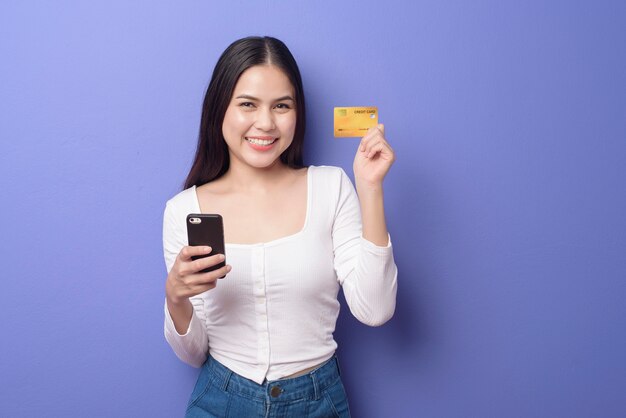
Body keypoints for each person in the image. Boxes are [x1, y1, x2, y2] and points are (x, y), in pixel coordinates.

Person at [162, 36, 398, 417]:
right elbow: (194, 355)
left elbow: (375, 309)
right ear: (219, 108)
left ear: (297, 113)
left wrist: (370, 188)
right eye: (248, 105)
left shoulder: (331, 187)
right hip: (220, 401)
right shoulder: (183, 210)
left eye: (281, 106)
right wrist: (176, 297)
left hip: (318, 403)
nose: (266, 123)